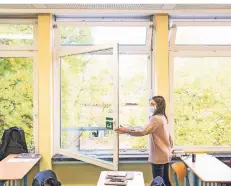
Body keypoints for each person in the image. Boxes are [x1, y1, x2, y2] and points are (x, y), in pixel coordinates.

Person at [115, 96, 173, 186]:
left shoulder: (156, 119)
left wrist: (126, 130)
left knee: (158, 182)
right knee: (165, 181)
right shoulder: (163, 117)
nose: (150, 106)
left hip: (159, 156)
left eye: (152, 104)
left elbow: (143, 131)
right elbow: (145, 128)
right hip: (165, 154)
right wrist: (127, 129)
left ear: (159, 105)